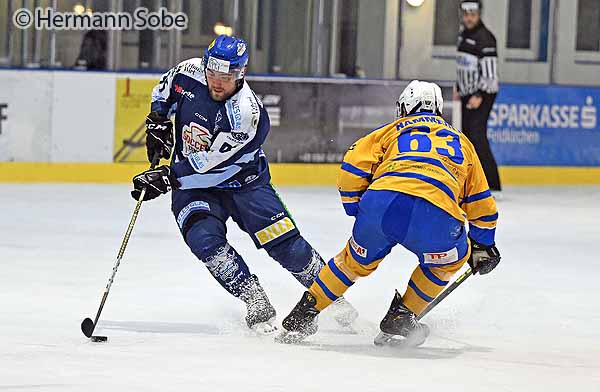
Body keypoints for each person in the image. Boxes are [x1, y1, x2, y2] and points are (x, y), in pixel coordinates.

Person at [130, 35, 357, 333]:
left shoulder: (246, 114)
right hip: (194, 188)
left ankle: (331, 298)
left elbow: (212, 164)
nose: (217, 83)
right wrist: (157, 120)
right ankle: (254, 298)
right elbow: (165, 87)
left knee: (288, 247)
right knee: (204, 241)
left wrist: (169, 177)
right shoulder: (188, 71)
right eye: (212, 73)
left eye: (226, 77)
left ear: (242, 73)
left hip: (246, 186)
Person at [278, 81, 501, 346]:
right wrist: (482, 245)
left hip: (382, 204)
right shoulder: (462, 143)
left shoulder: (390, 131)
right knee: (449, 259)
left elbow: (352, 168)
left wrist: (358, 210)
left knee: (352, 262)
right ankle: (403, 314)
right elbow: (481, 202)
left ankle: (305, 312)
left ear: (404, 106)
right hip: (436, 211)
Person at [456, 0, 502, 192]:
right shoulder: (463, 36)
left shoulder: (486, 39)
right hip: (467, 94)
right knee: (467, 137)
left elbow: (490, 75)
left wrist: (479, 94)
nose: (469, 18)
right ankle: (473, 182)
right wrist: (459, 87)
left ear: (479, 14)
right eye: (466, 14)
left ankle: (493, 184)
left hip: (482, 94)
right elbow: (463, 66)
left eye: (472, 14)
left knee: (477, 137)